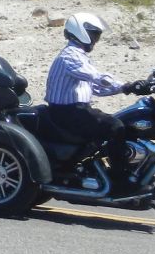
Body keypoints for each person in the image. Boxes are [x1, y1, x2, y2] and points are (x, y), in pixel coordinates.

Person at [43, 12, 140, 190]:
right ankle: (120, 179)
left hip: (74, 110)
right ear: (81, 32)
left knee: (124, 122)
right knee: (115, 127)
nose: (96, 40)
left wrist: (126, 89)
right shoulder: (70, 55)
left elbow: (95, 88)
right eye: (94, 35)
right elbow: (96, 77)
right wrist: (127, 85)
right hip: (68, 113)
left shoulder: (78, 55)